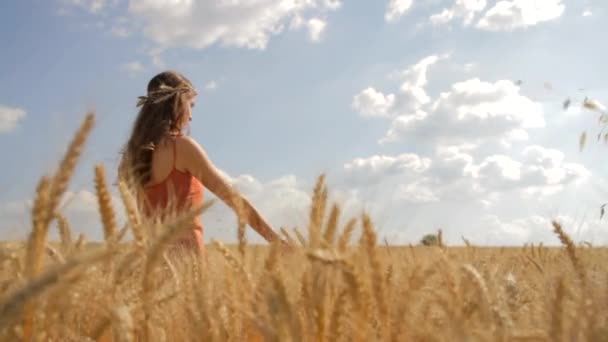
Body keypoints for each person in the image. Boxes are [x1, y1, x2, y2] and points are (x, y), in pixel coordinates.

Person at [118, 70, 285, 255]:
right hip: (186, 261)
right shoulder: (181, 147)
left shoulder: (131, 157)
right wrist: (275, 240)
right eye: (191, 105)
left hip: (148, 262)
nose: (190, 116)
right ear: (178, 103)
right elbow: (233, 198)